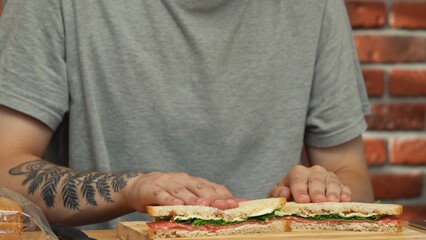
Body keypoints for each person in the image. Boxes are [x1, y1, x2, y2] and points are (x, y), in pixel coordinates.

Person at [0, 0, 374, 229]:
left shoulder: (316, 6)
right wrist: (132, 189)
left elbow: (351, 174)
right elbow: (5, 169)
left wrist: (323, 192)